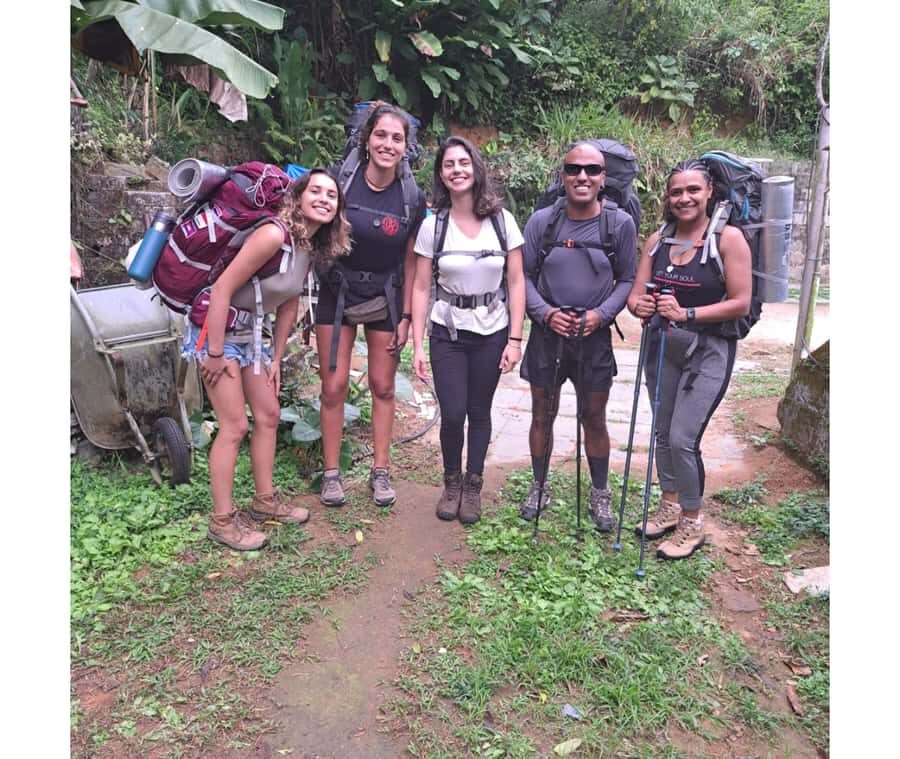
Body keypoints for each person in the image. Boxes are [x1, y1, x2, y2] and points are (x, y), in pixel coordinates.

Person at [184, 169, 352, 551]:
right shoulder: (273, 234)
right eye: (316, 191)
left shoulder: (307, 245)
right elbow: (223, 288)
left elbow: (289, 302)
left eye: (332, 195)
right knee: (233, 425)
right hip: (216, 329)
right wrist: (212, 354)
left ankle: (263, 502)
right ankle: (222, 522)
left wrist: (275, 357)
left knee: (268, 414)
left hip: (250, 333)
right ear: (300, 195)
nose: (324, 199)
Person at [627, 158, 752, 559]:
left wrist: (688, 314)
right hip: (662, 344)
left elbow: (741, 302)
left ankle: (693, 522)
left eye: (693, 190)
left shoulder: (728, 239)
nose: (684, 198)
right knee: (662, 432)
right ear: (668, 197)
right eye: (677, 191)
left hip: (709, 350)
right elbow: (634, 295)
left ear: (709, 192)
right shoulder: (658, 239)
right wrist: (641, 306)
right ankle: (670, 504)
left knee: (683, 438)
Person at [519, 140, 637, 531]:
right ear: (563, 175)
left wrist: (600, 316)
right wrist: (545, 314)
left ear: (603, 178)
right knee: (542, 413)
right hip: (547, 334)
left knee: (594, 417)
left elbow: (628, 279)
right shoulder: (541, 222)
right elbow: (524, 277)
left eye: (591, 170)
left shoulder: (619, 224)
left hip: (594, 336)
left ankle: (600, 492)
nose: (582, 176)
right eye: (573, 169)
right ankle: (539, 485)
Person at [315, 103, 427, 508]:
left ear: (406, 146)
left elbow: (413, 260)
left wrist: (409, 315)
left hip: (386, 297)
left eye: (397, 138)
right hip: (336, 291)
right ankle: (331, 474)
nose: (388, 144)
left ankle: (380, 471)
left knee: (383, 386)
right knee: (333, 386)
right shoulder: (339, 184)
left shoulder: (412, 197)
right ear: (366, 138)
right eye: (381, 135)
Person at [410, 136, 526, 524]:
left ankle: (474, 486)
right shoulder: (434, 226)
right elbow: (422, 286)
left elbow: (515, 282)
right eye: (448, 165)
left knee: (479, 411)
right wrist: (418, 345)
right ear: (440, 175)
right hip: (448, 332)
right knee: (453, 413)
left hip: (492, 330)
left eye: (463, 163)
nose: (456, 170)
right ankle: (451, 483)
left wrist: (514, 338)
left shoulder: (502, 221)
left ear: (475, 168)